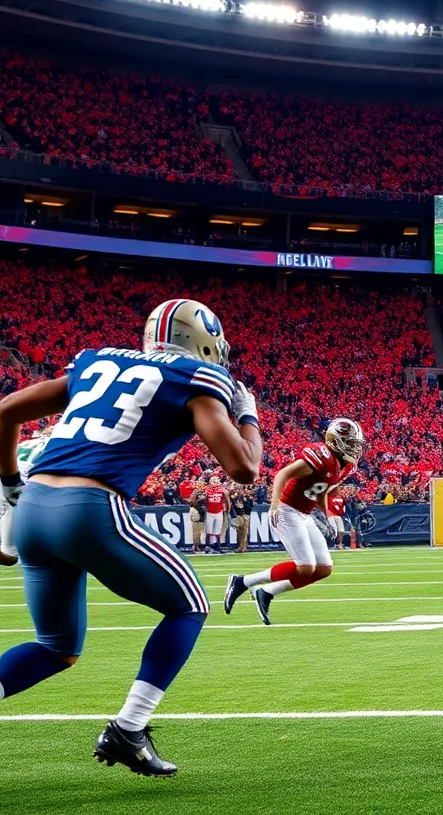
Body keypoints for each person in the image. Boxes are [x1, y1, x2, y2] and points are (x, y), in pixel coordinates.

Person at [0, 298, 261, 776]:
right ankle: (129, 729)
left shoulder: (97, 359)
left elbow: (6, 412)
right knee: (190, 605)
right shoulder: (196, 377)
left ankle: (128, 730)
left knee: (57, 647)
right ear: (204, 342)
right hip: (89, 508)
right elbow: (244, 467)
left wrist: (10, 482)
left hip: (33, 509)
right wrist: (248, 416)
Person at [224, 418, 364, 625]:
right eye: (351, 443)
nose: (355, 448)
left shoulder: (343, 465)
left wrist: (329, 516)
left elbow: (321, 491)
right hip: (288, 510)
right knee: (306, 567)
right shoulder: (322, 456)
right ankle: (242, 582)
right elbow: (283, 474)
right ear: (337, 441)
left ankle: (267, 592)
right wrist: (274, 505)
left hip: (305, 514)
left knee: (324, 568)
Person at [0, 431, 52, 566]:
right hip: (25, 475)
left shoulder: (31, 442)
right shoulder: (56, 443)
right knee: (9, 555)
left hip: (8, 470)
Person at [202, 474, 230, 553]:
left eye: (215, 481)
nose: (214, 483)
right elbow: (204, 500)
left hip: (219, 511)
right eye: (213, 481)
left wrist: (228, 510)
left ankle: (217, 546)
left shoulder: (222, 490)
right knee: (209, 530)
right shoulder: (207, 490)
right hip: (210, 512)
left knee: (218, 531)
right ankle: (207, 546)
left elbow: (228, 501)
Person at [231, 486, 251, 553]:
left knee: (244, 532)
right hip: (238, 516)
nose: (239, 491)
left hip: (244, 515)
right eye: (237, 489)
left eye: (240, 489)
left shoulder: (245, 498)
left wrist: (245, 501)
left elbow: (249, 507)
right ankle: (241, 546)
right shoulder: (234, 498)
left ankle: (243, 546)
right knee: (240, 532)